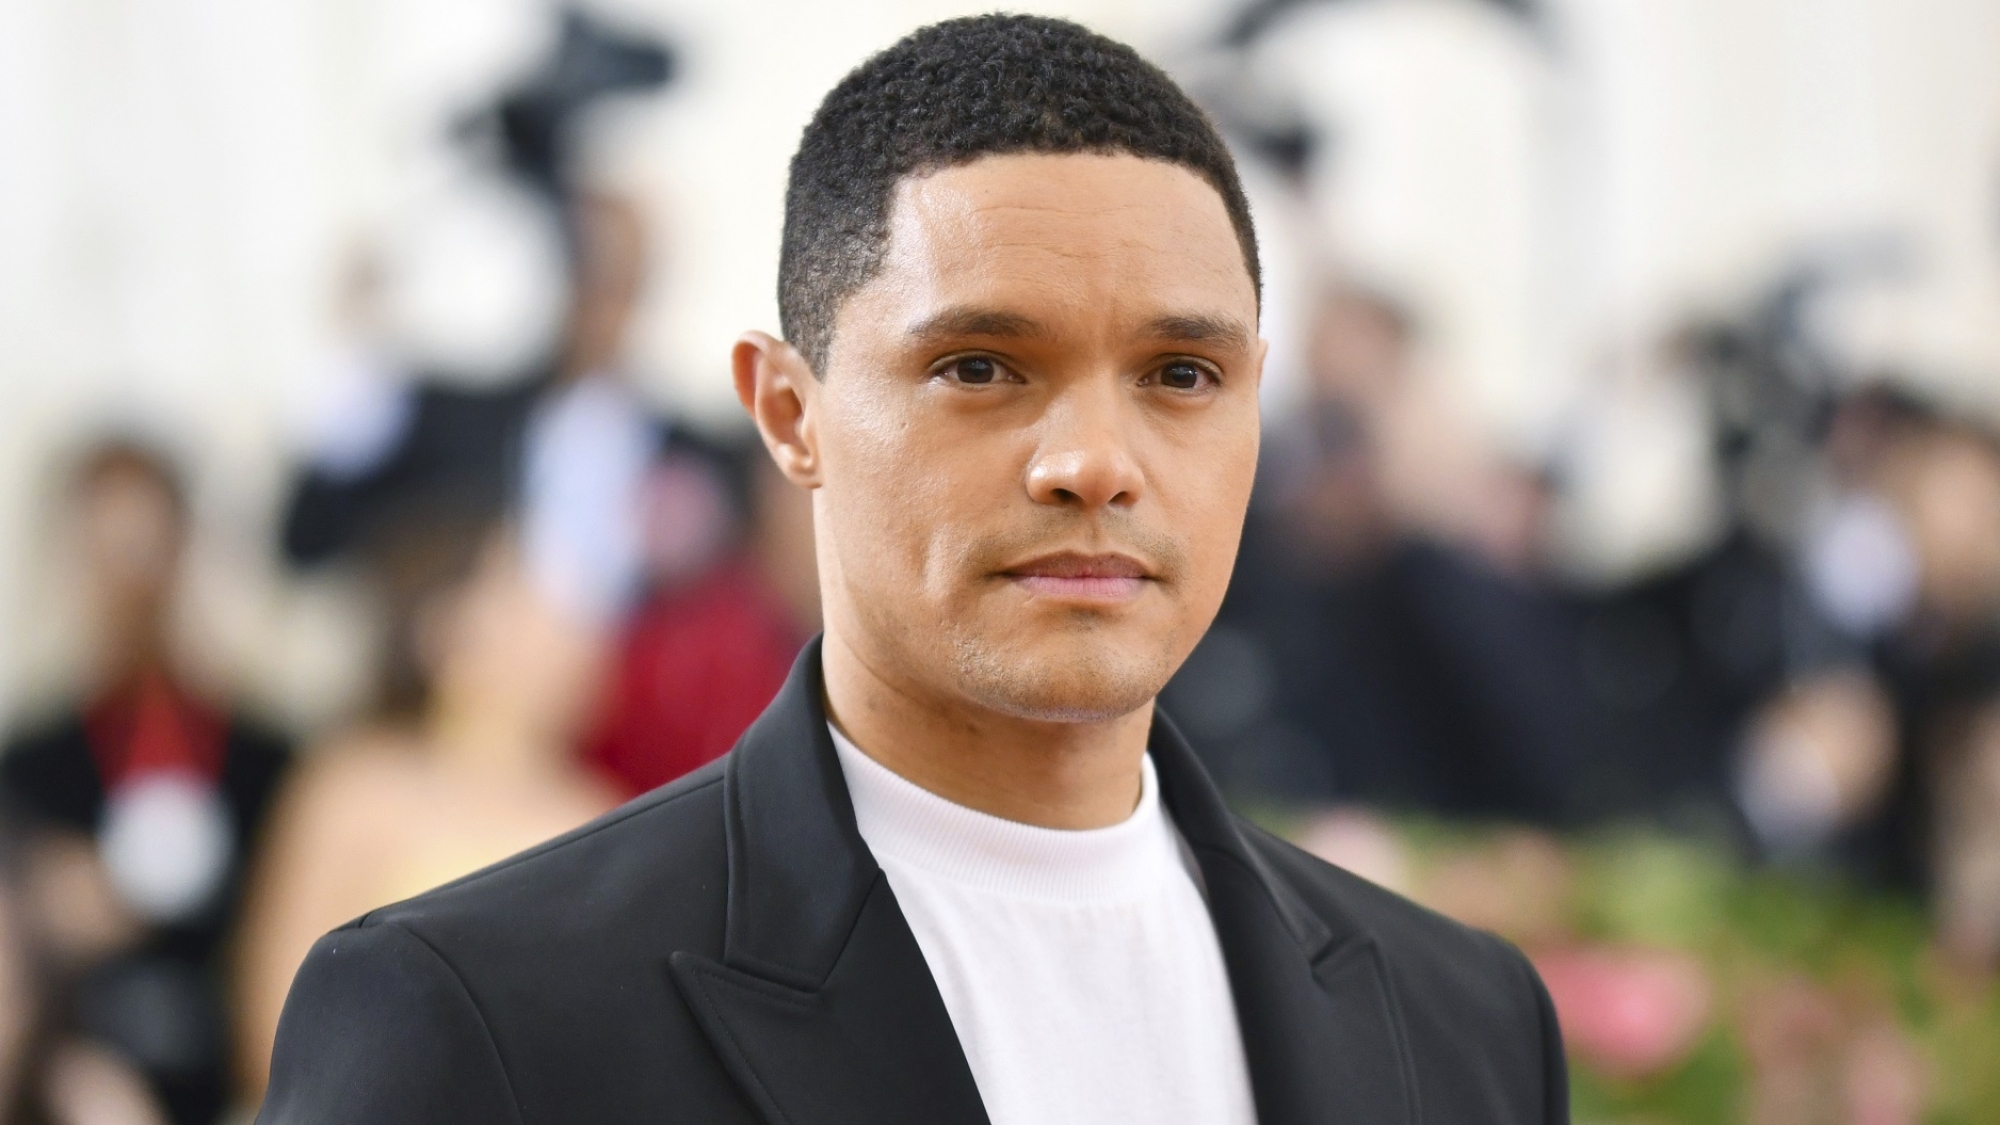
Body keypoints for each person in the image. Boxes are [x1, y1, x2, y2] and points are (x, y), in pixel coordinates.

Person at [257, 17, 1567, 1125]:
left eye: (1182, 376)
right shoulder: (479, 1012)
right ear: (788, 412)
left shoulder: (1467, 1022)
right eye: (981, 367)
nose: (1095, 462)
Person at [230, 523, 617, 1105]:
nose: (573, 628)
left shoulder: (604, 816)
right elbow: (272, 1019)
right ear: (447, 630)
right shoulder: (354, 788)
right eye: (526, 596)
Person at [1, 440, 290, 1125]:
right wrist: (37, 906)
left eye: (145, 545)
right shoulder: (26, 766)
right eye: (104, 549)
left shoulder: (266, 755)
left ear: (187, 549)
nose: (128, 579)